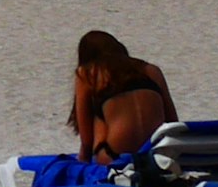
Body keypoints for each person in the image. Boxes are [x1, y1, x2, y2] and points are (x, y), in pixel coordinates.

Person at [65, 30, 177, 161]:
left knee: (99, 114)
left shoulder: (88, 73)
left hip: (114, 155)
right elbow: (172, 121)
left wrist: (82, 163)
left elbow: (87, 140)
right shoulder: (152, 70)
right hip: (157, 154)